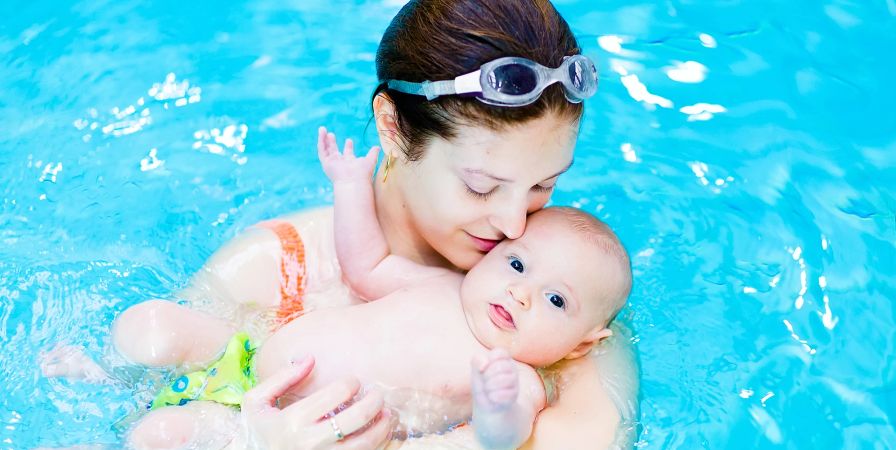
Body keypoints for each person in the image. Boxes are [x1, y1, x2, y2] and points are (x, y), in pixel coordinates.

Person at [43, 0, 637, 448]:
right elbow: (151, 417)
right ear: (393, 129)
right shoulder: (268, 269)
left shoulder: (566, 300)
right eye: (480, 185)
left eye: (542, 185)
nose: (514, 224)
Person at [126, 133, 631, 449]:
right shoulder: (444, 285)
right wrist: (350, 189)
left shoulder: (516, 379)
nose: (521, 294)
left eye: (555, 300)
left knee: (157, 438)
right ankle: (111, 380)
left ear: (585, 342)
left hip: (299, 434)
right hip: (246, 355)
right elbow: (366, 265)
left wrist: (496, 406)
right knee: (146, 327)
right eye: (517, 264)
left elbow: (504, 438)